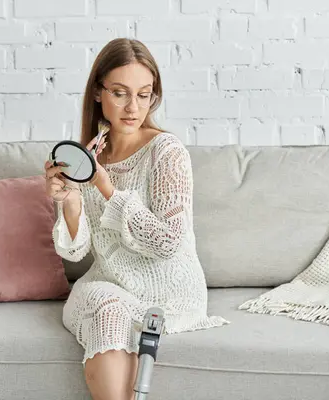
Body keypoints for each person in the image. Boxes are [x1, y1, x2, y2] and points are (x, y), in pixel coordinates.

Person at [44, 38, 229, 400]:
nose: (133, 107)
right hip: (113, 283)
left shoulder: (167, 151)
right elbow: (77, 252)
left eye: (144, 95)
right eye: (120, 93)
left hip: (170, 291)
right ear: (98, 93)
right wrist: (69, 201)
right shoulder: (90, 154)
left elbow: (168, 242)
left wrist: (107, 188)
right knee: (101, 301)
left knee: (105, 306)